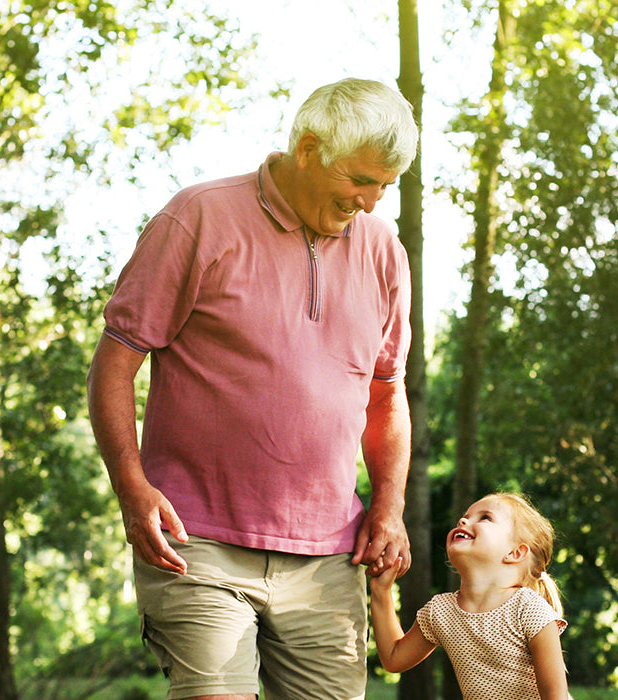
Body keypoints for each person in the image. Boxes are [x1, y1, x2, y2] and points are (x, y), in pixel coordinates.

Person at [87, 77, 419, 700]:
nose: (371, 202)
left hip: (329, 556)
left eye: (385, 185)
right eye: (361, 180)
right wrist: (132, 489)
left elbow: (386, 394)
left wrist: (389, 507)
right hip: (197, 544)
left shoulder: (383, 250)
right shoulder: (200, 218)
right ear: (310, 148)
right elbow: (113, 363)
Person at [371, 493, 571, 700]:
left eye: (485, 517)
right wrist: (381, 591)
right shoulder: (441, 611)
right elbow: (394, 659)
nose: (463, 521)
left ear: (515, 553)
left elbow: (555, 696)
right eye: (465, 516)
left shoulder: (528, 609)